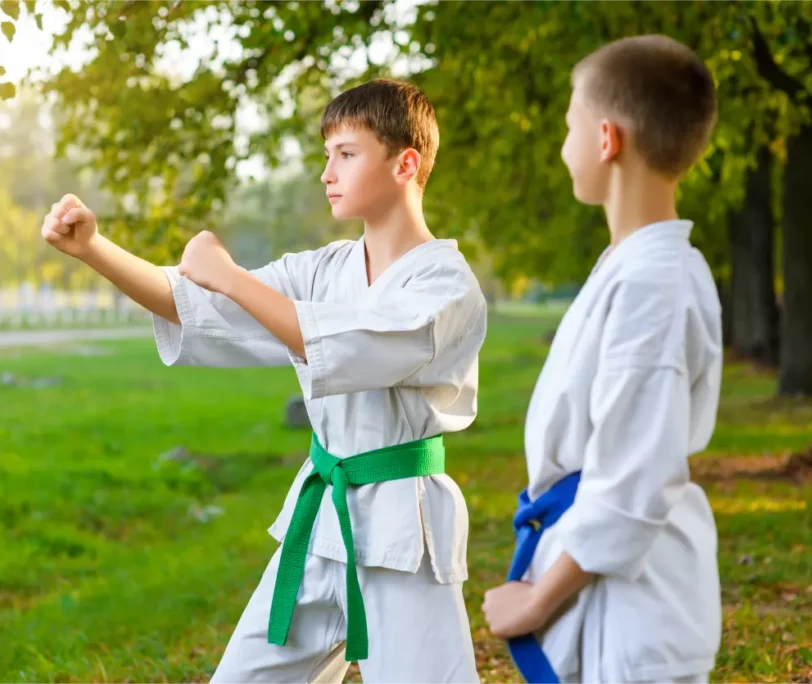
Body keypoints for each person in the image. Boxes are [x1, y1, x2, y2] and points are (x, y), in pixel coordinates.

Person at [41, 78, 487, 684]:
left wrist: (229, 276)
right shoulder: (324, 269)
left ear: (406, 162)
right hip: (320, 516)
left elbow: (339, 342)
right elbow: (195, 303)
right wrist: (94, 249)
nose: (327, 172)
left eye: (346, 154)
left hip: (402, 536)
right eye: (326, 154)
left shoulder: (445, 285)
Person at [481, 35, 723, 684]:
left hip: (635, 613)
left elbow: (632, 481)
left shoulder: (654, 282)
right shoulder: (630, 267)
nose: (564, 148)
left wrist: (536, 599)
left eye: (568, 126)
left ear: (607, 139)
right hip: (608, 597)